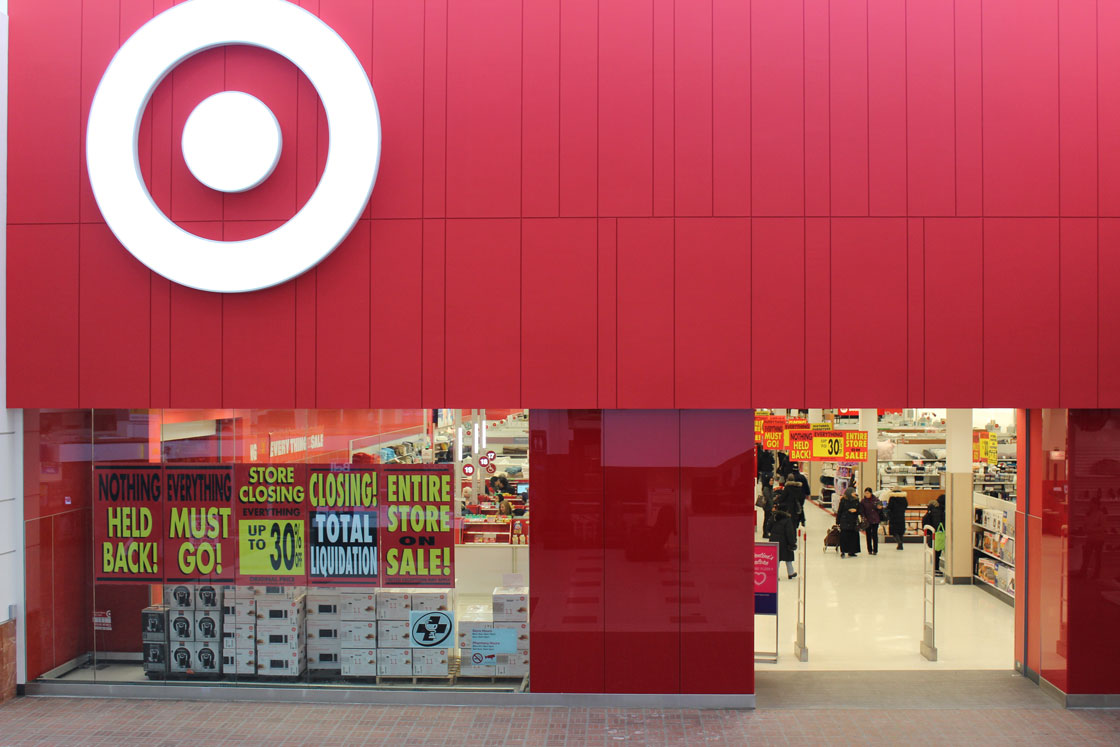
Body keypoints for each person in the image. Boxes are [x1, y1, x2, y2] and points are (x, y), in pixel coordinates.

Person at [921, 497, 946, 576]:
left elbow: (927, 521)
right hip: (940, 533)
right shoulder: (940, 511)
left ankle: (935, 568)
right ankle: (936, 569)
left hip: (934, 533)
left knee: (936, 551)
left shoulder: (931, 511)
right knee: (938, 551)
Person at [771, 506, 798, 579]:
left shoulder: (773, 518)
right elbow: (790, 533)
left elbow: (768, 528)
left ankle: (775, 574)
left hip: (774, 540)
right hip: (784, 542)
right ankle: (790, 573)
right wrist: (792, 543)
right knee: (788, 558)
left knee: (777, 559)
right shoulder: (787, 520)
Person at [836, 487, 861, 557]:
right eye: (853, 492)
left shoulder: (856, 500)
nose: (854, 494)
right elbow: (840, 511)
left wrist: (855, 511)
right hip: (845, 521)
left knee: (853, 537)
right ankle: (843, 551)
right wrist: (837, 521)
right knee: (844, 537)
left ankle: (852, 551)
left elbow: (860, 510)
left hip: (853, 521)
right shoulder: (843, 500)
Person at [859, 487, 882, 555]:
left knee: (874, 535)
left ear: (871, 493)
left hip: (875, 519)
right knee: (868, 535)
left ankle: (875, 550)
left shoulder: (876, 500)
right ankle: (869, 549)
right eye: (865, 493)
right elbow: (862, 511)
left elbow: (880, 510)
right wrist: (863, 517)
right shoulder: (863, 501)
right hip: (867, 520)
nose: (866, 494)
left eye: (868, 493)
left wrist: (880, 508)